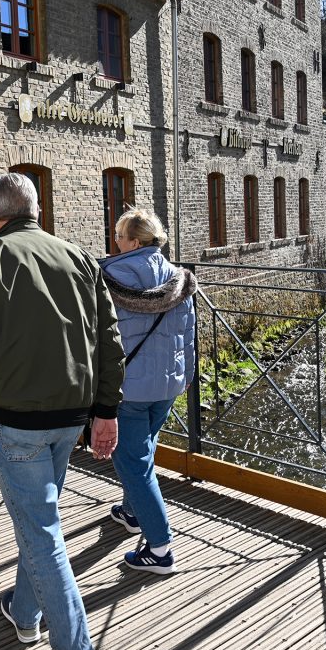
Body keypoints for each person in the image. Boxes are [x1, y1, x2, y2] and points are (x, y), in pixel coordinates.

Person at [0, 173, 124, 650]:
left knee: (42, 533)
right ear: (37, 210)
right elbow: (109, 341)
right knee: (38, 518)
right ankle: (25, 613)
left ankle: (75, 646)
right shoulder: (80, 257)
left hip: (14, 420)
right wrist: (106, 410)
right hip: (72, 417)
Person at [98, 208, 196, 575]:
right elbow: (188, 334)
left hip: (128, 390)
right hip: (168, 385)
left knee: (135, 465)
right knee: (144, 452)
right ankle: (132, 512)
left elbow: (100, 337)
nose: (116, 242)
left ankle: (160, 547)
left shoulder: (108, 276)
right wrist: (185, 375)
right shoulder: (180, 279)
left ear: (134, 242)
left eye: (120, 236)